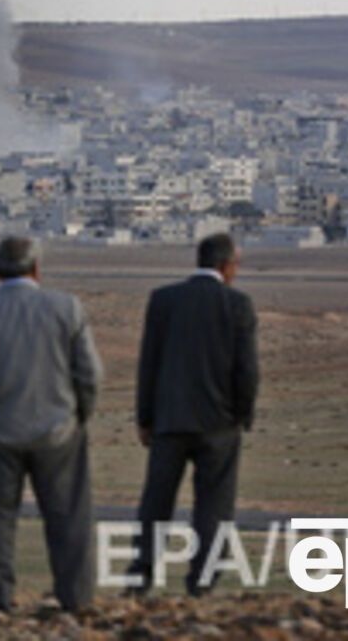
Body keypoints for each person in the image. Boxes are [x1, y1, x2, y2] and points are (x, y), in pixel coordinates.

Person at [0, 237, 102, 617]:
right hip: (58, 431)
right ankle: (75, 598)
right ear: (36, 269)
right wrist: (79, 415)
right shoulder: (66, 308)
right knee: (68, 515)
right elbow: (89, 374)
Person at [129, 232, 259, 596]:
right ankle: (202, 583)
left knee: (156, 502)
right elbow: (246, 370)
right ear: (227, 265)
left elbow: (149, 362)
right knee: (214, 508)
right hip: (219, 424)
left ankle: (140, 578)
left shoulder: (164, 300)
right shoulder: (237, 305)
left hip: (169, 421)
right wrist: (243, 415)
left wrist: (145, 416)